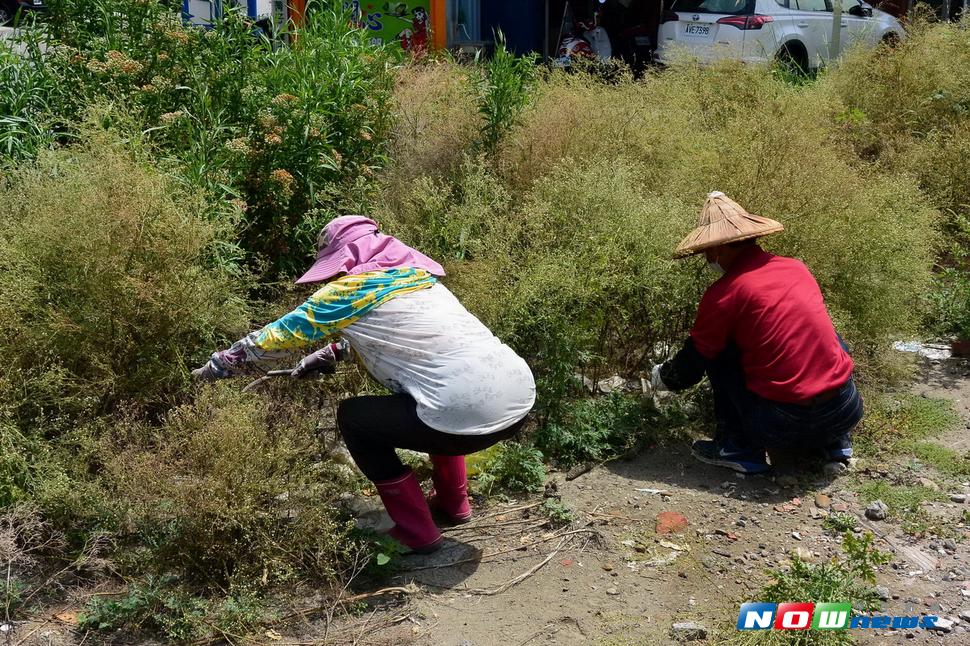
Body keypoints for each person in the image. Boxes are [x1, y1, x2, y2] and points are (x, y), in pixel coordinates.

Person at [193, 215, 536, 553]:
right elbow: (387, 334)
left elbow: (270, 339)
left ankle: (418, 533)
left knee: (354, 419)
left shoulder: (345, 292)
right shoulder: (418, 279)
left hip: (462, 418)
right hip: (519, 401)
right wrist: (324, 356)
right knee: (435, 394)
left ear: (344, 260)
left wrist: (215, 368)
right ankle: (454, 504)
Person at [650, 192, 863, 475]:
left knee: (717, 351)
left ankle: (738, 447)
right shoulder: (796, 268)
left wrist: (663, 377)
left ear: (718, 249)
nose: (708, 259)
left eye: (707, 252)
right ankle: (835, 443)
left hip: (783, 425)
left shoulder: (724, 294)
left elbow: (692, 366)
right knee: (826, 338)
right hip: (846, 411)